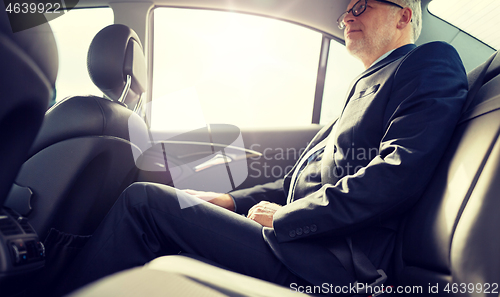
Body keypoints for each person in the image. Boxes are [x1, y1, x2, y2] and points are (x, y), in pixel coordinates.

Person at [59, 0, 468, 294]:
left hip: (334, 265)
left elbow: (396, 174)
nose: (347, 16)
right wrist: (230, 201)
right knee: (173, 207)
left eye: (361, 6)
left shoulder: (429, 61)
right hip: (302, 245)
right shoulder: (360, 89)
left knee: (143, 203)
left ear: (404, 14)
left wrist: (287, 217)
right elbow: (291, 181)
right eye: (346, 10)